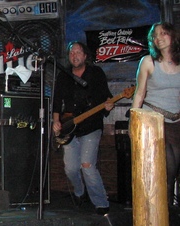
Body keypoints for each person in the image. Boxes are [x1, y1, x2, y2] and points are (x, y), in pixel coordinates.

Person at [52, 41, 114, 215]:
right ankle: (80, 192)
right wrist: (55, 122)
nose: (74, 55)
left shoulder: (96, 73)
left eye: (78, 52)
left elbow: (106, 98)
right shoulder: (63, 76)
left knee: (87, 165)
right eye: (71, 53)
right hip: (69, 127)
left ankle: (101, 203)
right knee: (70, 168)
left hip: (91, 126)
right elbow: (56, 101)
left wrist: (108, 105)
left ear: (85, 56)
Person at [131, 22, 180, 207]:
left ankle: (167, 210)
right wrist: (133, 123)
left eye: (163, 34)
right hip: (154, 121)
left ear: (172, 36)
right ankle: (162, 211)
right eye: (155, 36)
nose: (158, 38)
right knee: (167, 169)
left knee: (173, 172)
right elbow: (139, 93)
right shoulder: (148, 62)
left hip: (176, 121)